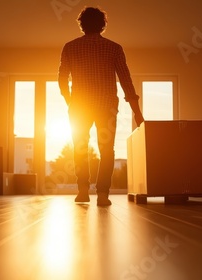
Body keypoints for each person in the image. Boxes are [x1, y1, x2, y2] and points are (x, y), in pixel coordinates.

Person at [58, 6, 144, 206]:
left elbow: (62, 79)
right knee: (107, 149)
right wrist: (137, 112)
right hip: (106, 107)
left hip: (79, 107)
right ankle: (103, 194)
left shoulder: (70, 47)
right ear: (103, 25)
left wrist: (70, 101)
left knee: (80, 147)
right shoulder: (114, 48)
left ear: (81, 25)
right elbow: (126, 81)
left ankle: (82, 191)